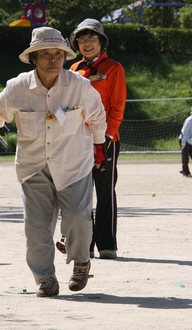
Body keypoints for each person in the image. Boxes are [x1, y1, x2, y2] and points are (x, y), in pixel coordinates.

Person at [0, 27, 107, 298]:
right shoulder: (18, 88)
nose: (53, 60)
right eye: (45, 54)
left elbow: (97, 116)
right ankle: (45, 279)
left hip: (74, 163)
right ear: (33, 58)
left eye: (58, 54)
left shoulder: (80, 86)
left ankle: (81, 262)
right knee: (36, 226)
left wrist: (99, 145)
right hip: (33, 166)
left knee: (77, 219)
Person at [69, 18, 127, 260]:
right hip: (77, 140)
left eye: (91, 37)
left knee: (104, 192)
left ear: (101, 41)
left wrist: (107, 136)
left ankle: (106, 243)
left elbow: (117, 106)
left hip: (106, 139)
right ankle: (85, 244)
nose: (86, 42)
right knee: (80, 193)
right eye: (82, 39)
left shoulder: (114, 68)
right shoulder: (73, 70)